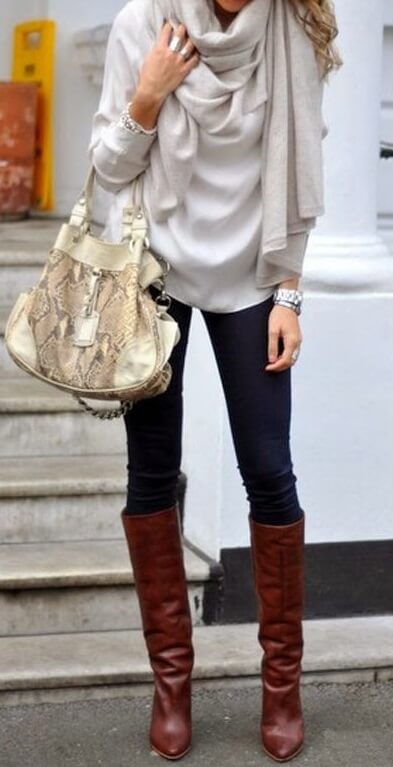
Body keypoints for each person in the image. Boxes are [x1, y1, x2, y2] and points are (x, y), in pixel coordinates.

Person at [88, 0, 341, 761]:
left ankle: (281, 686)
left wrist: (289, 294)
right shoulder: (145, 23)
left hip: (252, 273)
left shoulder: (289, 30)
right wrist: (149, 92)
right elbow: (106, 165)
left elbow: (300, 166)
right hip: (153, 269)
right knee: (152, 472)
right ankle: (170, 684)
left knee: (268, 469)